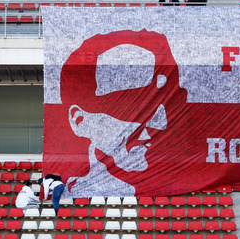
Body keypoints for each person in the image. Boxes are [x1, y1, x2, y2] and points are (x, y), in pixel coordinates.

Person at [60, 30, 184, 197]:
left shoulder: (180, 179)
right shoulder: (77, 189)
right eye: (132, 114)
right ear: (79, 119)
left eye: (157, 110)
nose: (155, 128)